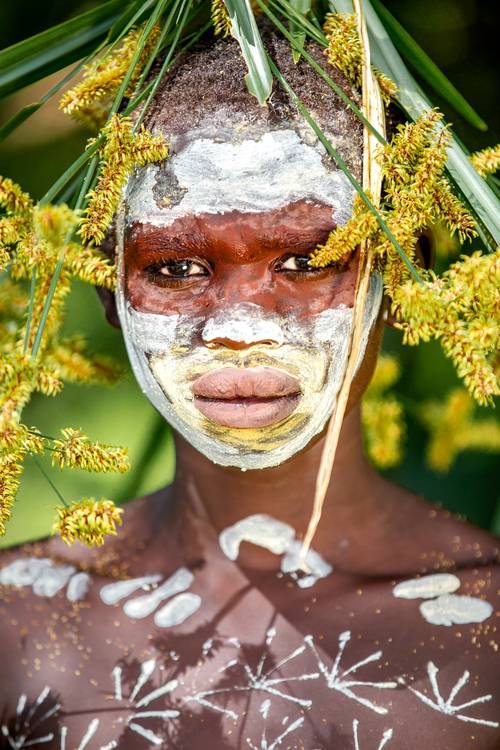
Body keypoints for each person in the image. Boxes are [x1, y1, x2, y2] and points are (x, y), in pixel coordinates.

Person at [0, 32, 498, 750]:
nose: (238, 328)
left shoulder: (486, 643)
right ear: (109, 286)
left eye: (304, 260)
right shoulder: (21, 625)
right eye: (175, 269)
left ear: (398, 276)